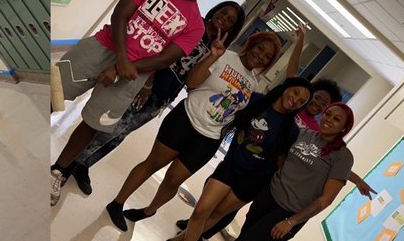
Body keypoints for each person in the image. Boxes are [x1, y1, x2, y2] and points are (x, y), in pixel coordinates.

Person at [50, 0, 218, 205]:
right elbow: (120, 15)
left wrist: (120, 69)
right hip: (102, 47)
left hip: (134, 73)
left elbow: (164, 59)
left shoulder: (195, 25)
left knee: (93, 123)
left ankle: (59, 171)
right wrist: (120, 60)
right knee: (54, 92)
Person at [176, 100, 357, 241]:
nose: (328, 119)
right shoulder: (305, 134)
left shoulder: (343, 157)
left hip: (288, 214)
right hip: (268, 196)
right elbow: (281, 155)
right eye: (328, 114)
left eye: (336, 119)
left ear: (344, 128)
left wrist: (291, 222)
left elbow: (325, 200)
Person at [106, 28, 301, 230]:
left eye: (267, 57)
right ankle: (117, 203)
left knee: (173, 180)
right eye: (260, 49)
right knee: (153, 163)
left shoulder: (252, 83)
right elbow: (191, 82)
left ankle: (148, 211)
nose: (260, 56)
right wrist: (212, 57)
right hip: (186, 119)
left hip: (210, 138)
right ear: (251, 44)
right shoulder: (224, 56)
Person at [60, 0, 246, 197]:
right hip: (145, 83)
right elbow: (160, 49)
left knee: (120, 134)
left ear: (231, 29)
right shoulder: (193, 26)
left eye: (229, 20)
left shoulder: (216, 49)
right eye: (223, 12)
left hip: (163, 96)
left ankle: (84, 165)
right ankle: (69, 163)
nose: (223, 19)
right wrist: (148, 83)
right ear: (216, 9)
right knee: (108, 124)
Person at [154, 77, 314, 241]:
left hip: (253, 181)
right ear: (286, 87)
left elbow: (282, 162)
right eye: (295, 93)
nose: (296, 100)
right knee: (201, 210)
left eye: (302, 101)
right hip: (230, 166)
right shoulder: (255, 101)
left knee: (218, 213)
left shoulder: (291, 130)